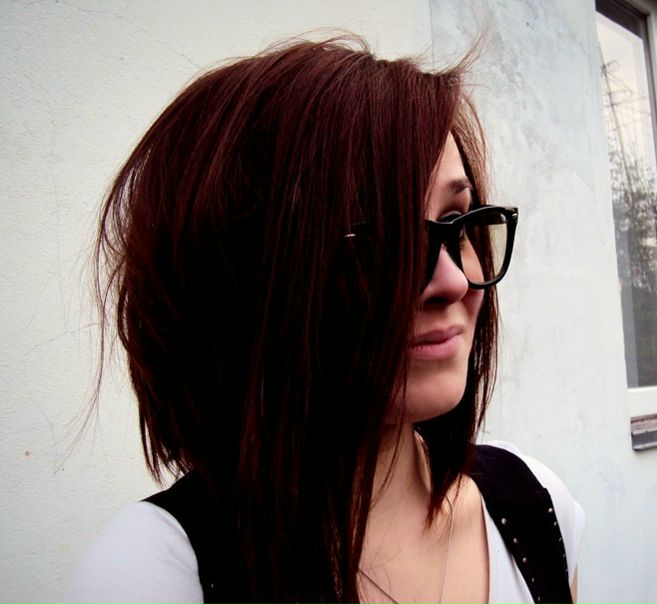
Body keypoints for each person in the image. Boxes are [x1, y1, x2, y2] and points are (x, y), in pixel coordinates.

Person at [71, 37, 583, 604]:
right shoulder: (151, 575)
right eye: (379, 241)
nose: (454, 282)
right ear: (243, 278)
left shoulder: (535, 509)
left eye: (457, 220)